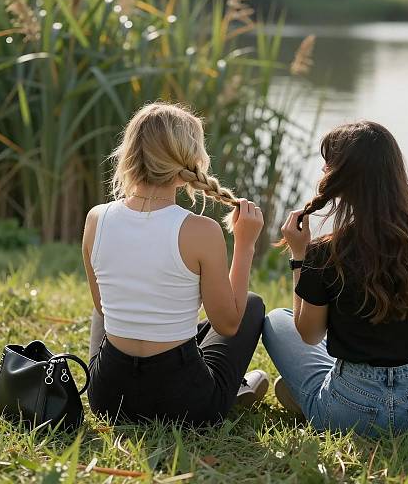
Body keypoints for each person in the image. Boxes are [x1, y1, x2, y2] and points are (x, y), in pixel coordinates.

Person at [262, 121, 408, 436]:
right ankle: (313, 394)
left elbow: (309, 334)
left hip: (351, 409)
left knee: (276, 320)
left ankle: (310, 398)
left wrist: (299, 257)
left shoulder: (326, 252)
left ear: (339, 180)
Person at [82, 102, 268, 425]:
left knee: (103, 312)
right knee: (250, 305)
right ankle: (231, 389)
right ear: (188, 165)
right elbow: (228, 325)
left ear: (128, 155)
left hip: (109, 398)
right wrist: (245, 244)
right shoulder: (201, 231)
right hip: (186, 404)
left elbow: (101, 304)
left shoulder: (96, 219)